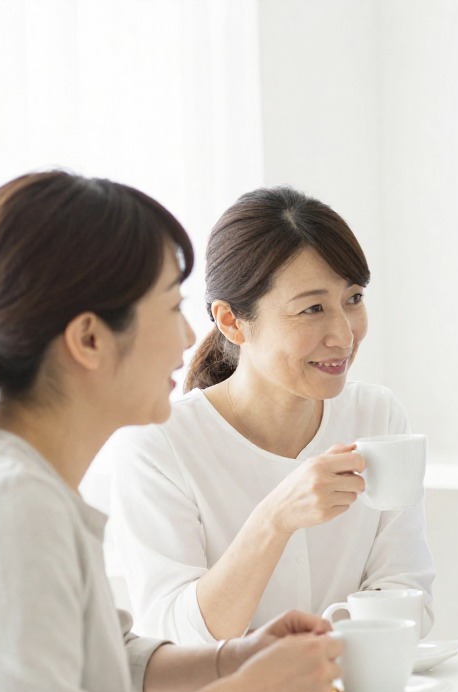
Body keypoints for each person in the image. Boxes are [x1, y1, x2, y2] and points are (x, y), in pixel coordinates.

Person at [0, 172, 342, 692]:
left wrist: (233, 662)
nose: (189, 337)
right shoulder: (12, 510)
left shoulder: (14, 482)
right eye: (171, 307)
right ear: (89, 339)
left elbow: (102, 656)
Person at [110, 187, 435, 644]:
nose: (344, 335)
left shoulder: (376, 417)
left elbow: (408, 596)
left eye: (354, 298)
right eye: (312, 308)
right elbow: (176, 638)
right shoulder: (158, 444)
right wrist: (275, 519)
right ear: (231, 321)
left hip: (358, 687)